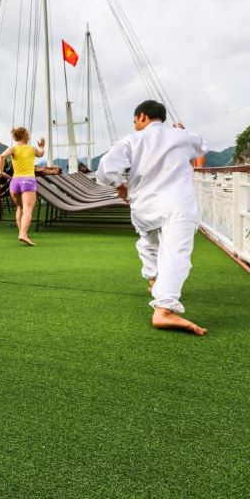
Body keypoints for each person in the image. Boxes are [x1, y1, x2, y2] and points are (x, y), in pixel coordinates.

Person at [96, 99, 209, 335]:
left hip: (145, 205)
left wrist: (120, 185)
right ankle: (164, 308)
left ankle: (154, 279)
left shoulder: (132, 140)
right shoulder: (182, 136)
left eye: (135, 120)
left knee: (148, 241)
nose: (136, 124)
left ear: (142, 117)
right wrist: (182, 132)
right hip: (178, 203)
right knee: (176, 253)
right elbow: (201, 147)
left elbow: (106, 169)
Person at [0, 127, 45, 246]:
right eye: (28, 134)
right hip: (28, 180)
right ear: (24, 136)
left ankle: (21, 231)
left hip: (15, 181)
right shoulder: (32, 149)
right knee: (28, 210)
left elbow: (2, 156)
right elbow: (41, 154)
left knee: (20, 207)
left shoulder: (13, 148)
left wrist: (1, 171)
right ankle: (23, 234)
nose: (29, 135)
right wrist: (42, 146)